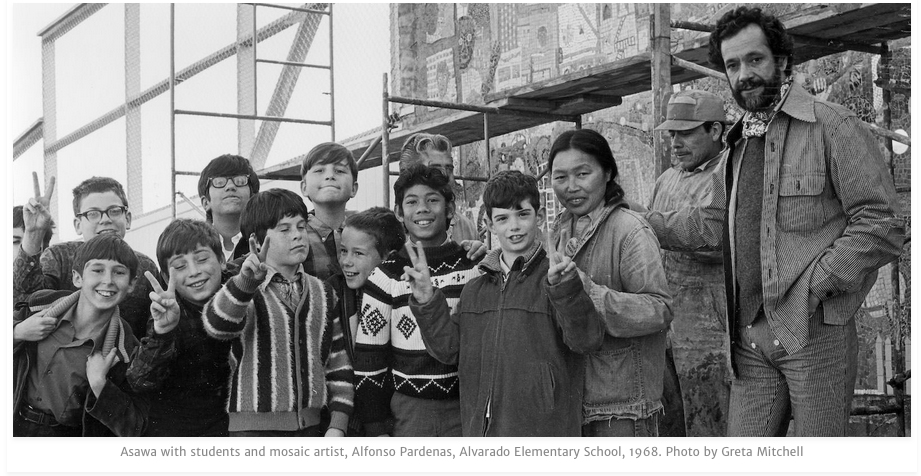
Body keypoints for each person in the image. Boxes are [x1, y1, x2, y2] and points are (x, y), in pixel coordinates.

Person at [643, 6, 904, 436]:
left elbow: (882, 219)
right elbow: (712, 225)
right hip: (748, 340)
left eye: (755, 59)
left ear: (781, 61)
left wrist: (817, 284)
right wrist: (644, 223)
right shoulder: (737, 146)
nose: (744, 73)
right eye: (732, 64)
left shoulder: (829, 125)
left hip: (813, 333)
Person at [407, 170, 605, 436]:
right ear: (489, 224)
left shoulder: (556, 277)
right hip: (483, 433)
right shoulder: (474, 289)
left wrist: (566, 288)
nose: (514, 226)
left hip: (545, 434)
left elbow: (586, 340)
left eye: (523, 214)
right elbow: (449, 350)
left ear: (539, 213)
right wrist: (426, 300)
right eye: (502, 218)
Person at [547, 129, 672, 437]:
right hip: (576, 396)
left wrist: (588, 292)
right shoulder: (558, 229)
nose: (571, 186)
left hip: (622, 404)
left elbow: (659, 310)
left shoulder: (629, 230)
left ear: (608, 173)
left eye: (582, 173)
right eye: (560, 177)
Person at [202, 188, 353, 437]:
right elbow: (216, 325)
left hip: (312, 429)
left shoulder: (324, 293)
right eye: (285, 229)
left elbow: (339, 366)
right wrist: (246, 284)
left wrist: (338, 424)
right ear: (257, 242)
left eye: (301, 227)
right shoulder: (243, 288)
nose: (298, 236)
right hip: (252, 433)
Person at [353, 164, 480, 437]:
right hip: (410, 413)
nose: (422, 208)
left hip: (468, 406)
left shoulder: (474, 267)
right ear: (399, 212)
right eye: (411, 202)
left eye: (432, 200)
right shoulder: (386, 275)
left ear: (449, 209)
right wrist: (376, 428)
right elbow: (369, 359)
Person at [649, 90, 731, 437]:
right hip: (665, 326)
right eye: (672, 134)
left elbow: (712, 237)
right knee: (667, 424)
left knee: (709, 426)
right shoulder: (668, 178)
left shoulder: (730, 171)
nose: (676, 143)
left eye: (686, 133)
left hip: (710, 332)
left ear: (714, 130)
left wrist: (644, 220)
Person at [13, 233, 148, 437]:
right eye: (97, 270)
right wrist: (16, 332)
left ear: (131, 284)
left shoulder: (126, 351)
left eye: (119, 272)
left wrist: (100, 385)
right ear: (77, 277)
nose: (108, 280)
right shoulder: (38, 307)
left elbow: (135, 427)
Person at [13, 175, 160, 340]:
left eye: (114, 211)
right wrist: (34, 234)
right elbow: (26, 301)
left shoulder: (146, 267)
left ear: (127, 218)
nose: (105, 220)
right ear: (77, 225)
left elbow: (154, 330)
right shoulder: (59, 257)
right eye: (93, 213)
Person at [126, 219, 232, 437]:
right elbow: (139, 381)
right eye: (180, 266)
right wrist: (163, 331)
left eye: (202, 259)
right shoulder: (165, 311)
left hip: (232, 427)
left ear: (222, 260)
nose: (194, 271)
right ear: (166, 277)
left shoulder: (238, 291)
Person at [327, 206, 405, 436]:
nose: (347, 262)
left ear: (388, 258)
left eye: (358, 253)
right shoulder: (333, 292)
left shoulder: (402, 293)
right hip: (344, 421)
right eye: (343, 251)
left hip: (392, 418)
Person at [400, 132, 480, 243]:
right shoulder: (390, 232)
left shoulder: (466, 227)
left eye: (449, 168)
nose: (445, 176)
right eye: (435, 169)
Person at [299, 142, 360, 281]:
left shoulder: (366, 231)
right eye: (319, 170)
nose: (330, 176)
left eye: (339, 171)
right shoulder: (296, 234)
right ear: (304, 187)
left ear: (353, 188)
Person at [197, 154, 261, 261]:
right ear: (205, 202)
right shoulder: (191, 246)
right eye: (219, 182)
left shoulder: (267, 241)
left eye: (240, 181)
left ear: (253, 196)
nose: (230, 187)